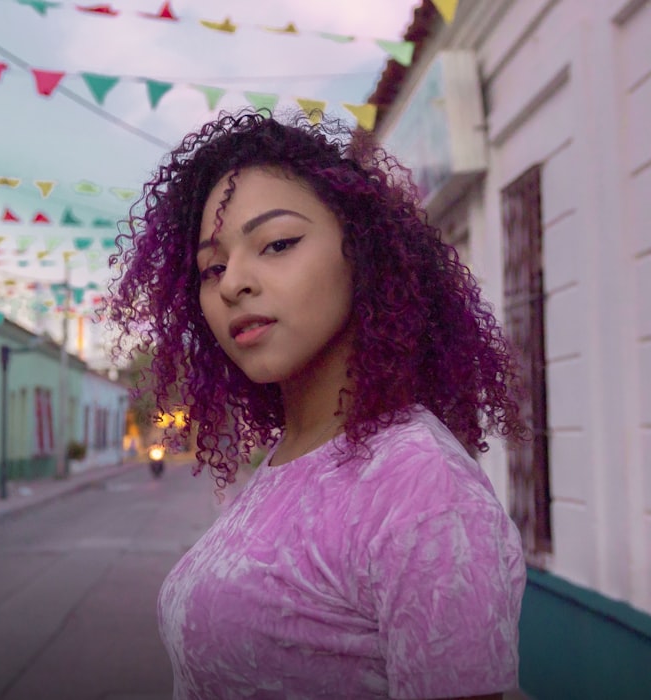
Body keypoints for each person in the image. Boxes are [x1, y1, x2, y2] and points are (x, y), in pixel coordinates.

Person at [106, 110, 528, 700]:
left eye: (277, 243)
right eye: (213, 267)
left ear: (363, 254)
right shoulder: (289, 455)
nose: (233, 284)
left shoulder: (418, 483)